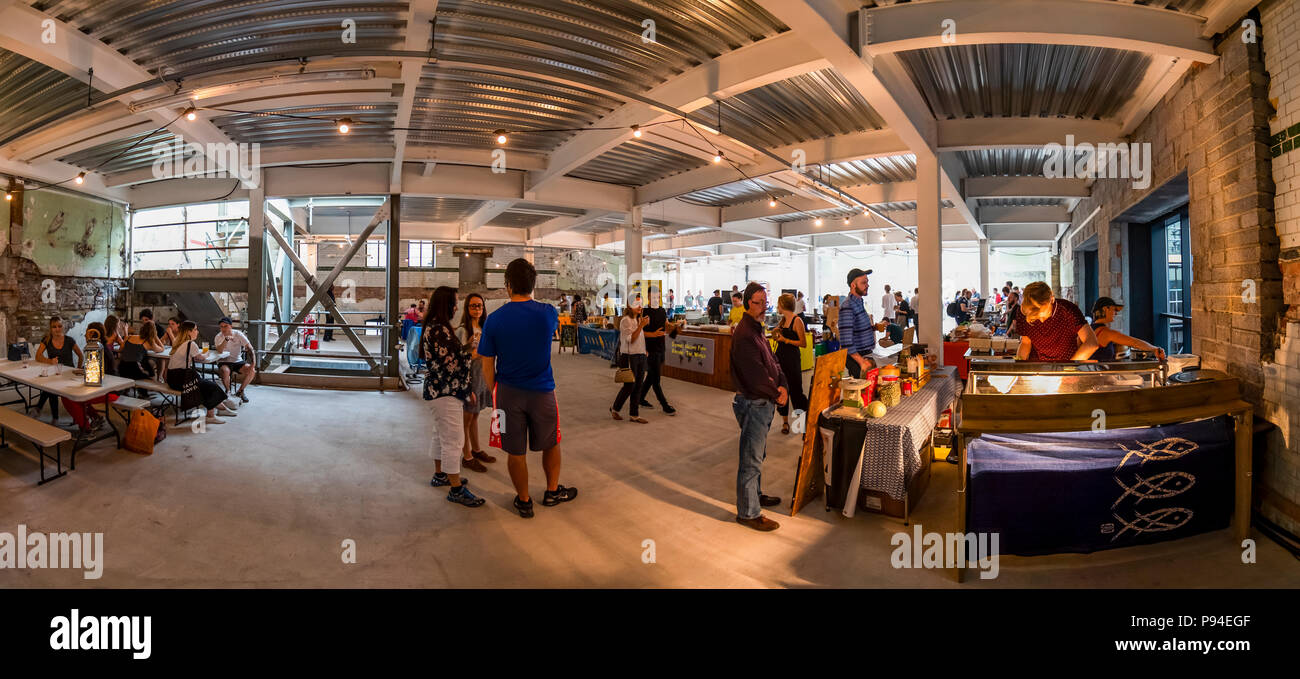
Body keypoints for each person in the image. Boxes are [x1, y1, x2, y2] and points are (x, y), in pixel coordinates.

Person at [478, 258, 577, 518]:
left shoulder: (495, 319)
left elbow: (487, 365)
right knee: (551, 443)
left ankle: (524, 501)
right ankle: (552, 492)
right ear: (533, 285)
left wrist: (496, 391)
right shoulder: (548, 313)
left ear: (508, 285)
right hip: (543, 391)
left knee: (515, 450)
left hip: (508, 393)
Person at [729, 282, 788, 532]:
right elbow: (756, 375)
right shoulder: (744, 334)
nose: (764, 307)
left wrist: (782, 384)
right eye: (758, 302)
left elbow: (773, 361)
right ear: (746, 303)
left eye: (765, 302)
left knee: (758, 454)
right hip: (754, 402)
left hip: (764, 401)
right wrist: (777, 393)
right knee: (751, 458)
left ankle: (755, 494)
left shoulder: (757, 329)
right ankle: (748, 512)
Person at [422, 287, 487, 508]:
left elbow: (454, 355)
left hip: (441, 389)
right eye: (455, 302)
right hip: (445, 391)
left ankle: (440, 474)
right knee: (454, 440)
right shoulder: (439, 329)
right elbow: (452, 363)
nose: (457, 306)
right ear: (446, 304)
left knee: (440, 435)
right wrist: (470, 354)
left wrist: (467, 347)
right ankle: (455, 488)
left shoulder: (438, 327)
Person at [167, 320, 239, 424]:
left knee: (205, 386)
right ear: (188, 332)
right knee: (211, 386)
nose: (197, 332)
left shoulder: (178, 343)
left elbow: (194, 358)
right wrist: (206, 353)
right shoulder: (190, 344)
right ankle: (214, 414)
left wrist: (201, 355)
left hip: (172, 379)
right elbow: (201, 358)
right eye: (195, 329)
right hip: (181, 378)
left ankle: (220, 410)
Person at [456, 292, 495, 473]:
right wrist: (481, 352)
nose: (477, 309)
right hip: (469, 378)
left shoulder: (485, 327)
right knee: (467, 417)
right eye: (473, 306)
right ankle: (467, 456)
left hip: (482, 376)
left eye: (479, 305)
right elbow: (461, 357)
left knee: (476, 415)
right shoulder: (463, 330)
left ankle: (476, 450)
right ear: (467, 308)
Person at [1014, 282, 1100, 361]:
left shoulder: (1067, 310)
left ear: (1051, 299)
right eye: (1035, 317)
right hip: (1037, 367)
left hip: (1065, 364)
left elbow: (1091, 343)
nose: (1041, 320)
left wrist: (1069, 368)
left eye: (1043, 314)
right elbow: (1025, 343)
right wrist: (1019, 367)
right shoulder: (1025, 312)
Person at [839, 268, 888, 378]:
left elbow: (856, 329)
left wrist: (874, 327)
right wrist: (861, 362)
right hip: (857, 357)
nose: (867, 285)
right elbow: (846, 341)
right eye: (863, 282)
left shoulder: (859, 302)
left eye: (867, 282)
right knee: (863, 392)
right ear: (853, 285)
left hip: (866, 354)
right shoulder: (848, 306)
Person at [33, 316, 82, 422]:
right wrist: (49, 361)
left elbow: (80, 355)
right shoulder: (46, 340)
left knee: (49, 389)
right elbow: (38, 356)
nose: (57, 329)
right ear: (50, 328)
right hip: (54, 372)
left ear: (63, 327)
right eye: (54, 327)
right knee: (50, 388)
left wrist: (78, 369)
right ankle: (53, 416)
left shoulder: (69, 340)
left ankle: (44, 411)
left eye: (59, 326)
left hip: (68, 373)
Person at [772, 293, 808, 436]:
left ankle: (802, 420)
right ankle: (785, 422)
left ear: (783, 305)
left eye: (778, 304)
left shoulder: (797, 321)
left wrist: (785, 340)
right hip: (781, 359)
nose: (777, 307)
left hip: (792, 359)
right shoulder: (782, 321)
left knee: (796, 390)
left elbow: (803, 343)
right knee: (782, 389)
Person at [1089, 297, 1166, 362]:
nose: (1115, 313)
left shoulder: (1090, 329)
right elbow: (1135, 343)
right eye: (1114, 310)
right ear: (1105, 309)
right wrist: (1155, 349)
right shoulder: (1106, 332)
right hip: (1099, 376)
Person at [638, 290, 677, 416]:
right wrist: (653, 334)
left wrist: (675, 326)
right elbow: (639, 332)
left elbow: (666, 325)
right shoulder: (644, 311)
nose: (656, 298)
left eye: (658, 296)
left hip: (661, 347)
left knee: (651, 376)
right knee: (656, 379)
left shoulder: (662, 310)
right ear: (648, 296)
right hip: (650, 349)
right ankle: (664, 405)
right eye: (654, 296)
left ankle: (640, 398)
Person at [610, 303, 649, 424]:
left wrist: (644, 350)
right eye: (636, 304)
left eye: (640, 304)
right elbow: (631, 339)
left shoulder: (638, 319)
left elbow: (640, 338)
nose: (640, 307)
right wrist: (641, 326)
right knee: (629, 386)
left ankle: (634, 415)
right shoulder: (625, 321)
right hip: (629, 357)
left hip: (640, 355)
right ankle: (615, 409)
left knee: (638, 386)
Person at [213, 317, 256, 403]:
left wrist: (253, 363)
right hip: (223, 361)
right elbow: (219, 350)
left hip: (237, 361)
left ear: (231, 326)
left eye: (226, 326)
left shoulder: (238, 334)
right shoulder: (218, 336)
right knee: (225, 371)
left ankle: (240, 391)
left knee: (252, 371)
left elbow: (250, 348)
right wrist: (226, 339)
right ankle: (228, 392)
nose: (223, 328)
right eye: (221, 326)